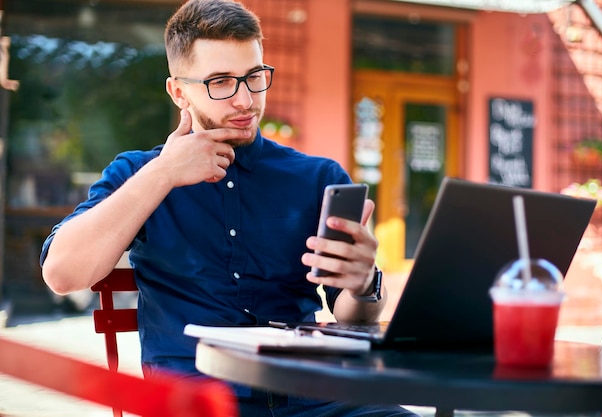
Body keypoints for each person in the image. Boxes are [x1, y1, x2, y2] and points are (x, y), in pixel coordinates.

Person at [40, 1, 417, 416]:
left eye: (254, 77)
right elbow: (62, 274)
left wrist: (363, 284)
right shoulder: (139, 173)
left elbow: (353, 319)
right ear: (179, 92)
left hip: (317, 396)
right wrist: (163, 173)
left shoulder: (317, 177)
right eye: (221, 82)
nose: (244, 100)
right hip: (199, 402)